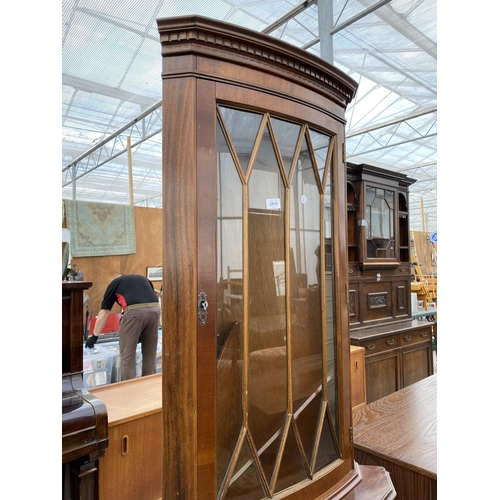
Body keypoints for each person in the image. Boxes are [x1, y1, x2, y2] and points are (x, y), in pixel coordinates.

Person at [85, 274, 160, 381]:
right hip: (155, 309)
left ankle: (128, 390)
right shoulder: (143, 279)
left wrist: (94, 336)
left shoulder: (114, 284)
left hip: (134, 312)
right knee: (150, 355)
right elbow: (146, 302)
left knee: (127, 357)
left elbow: (104, 313)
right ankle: (148, 387)